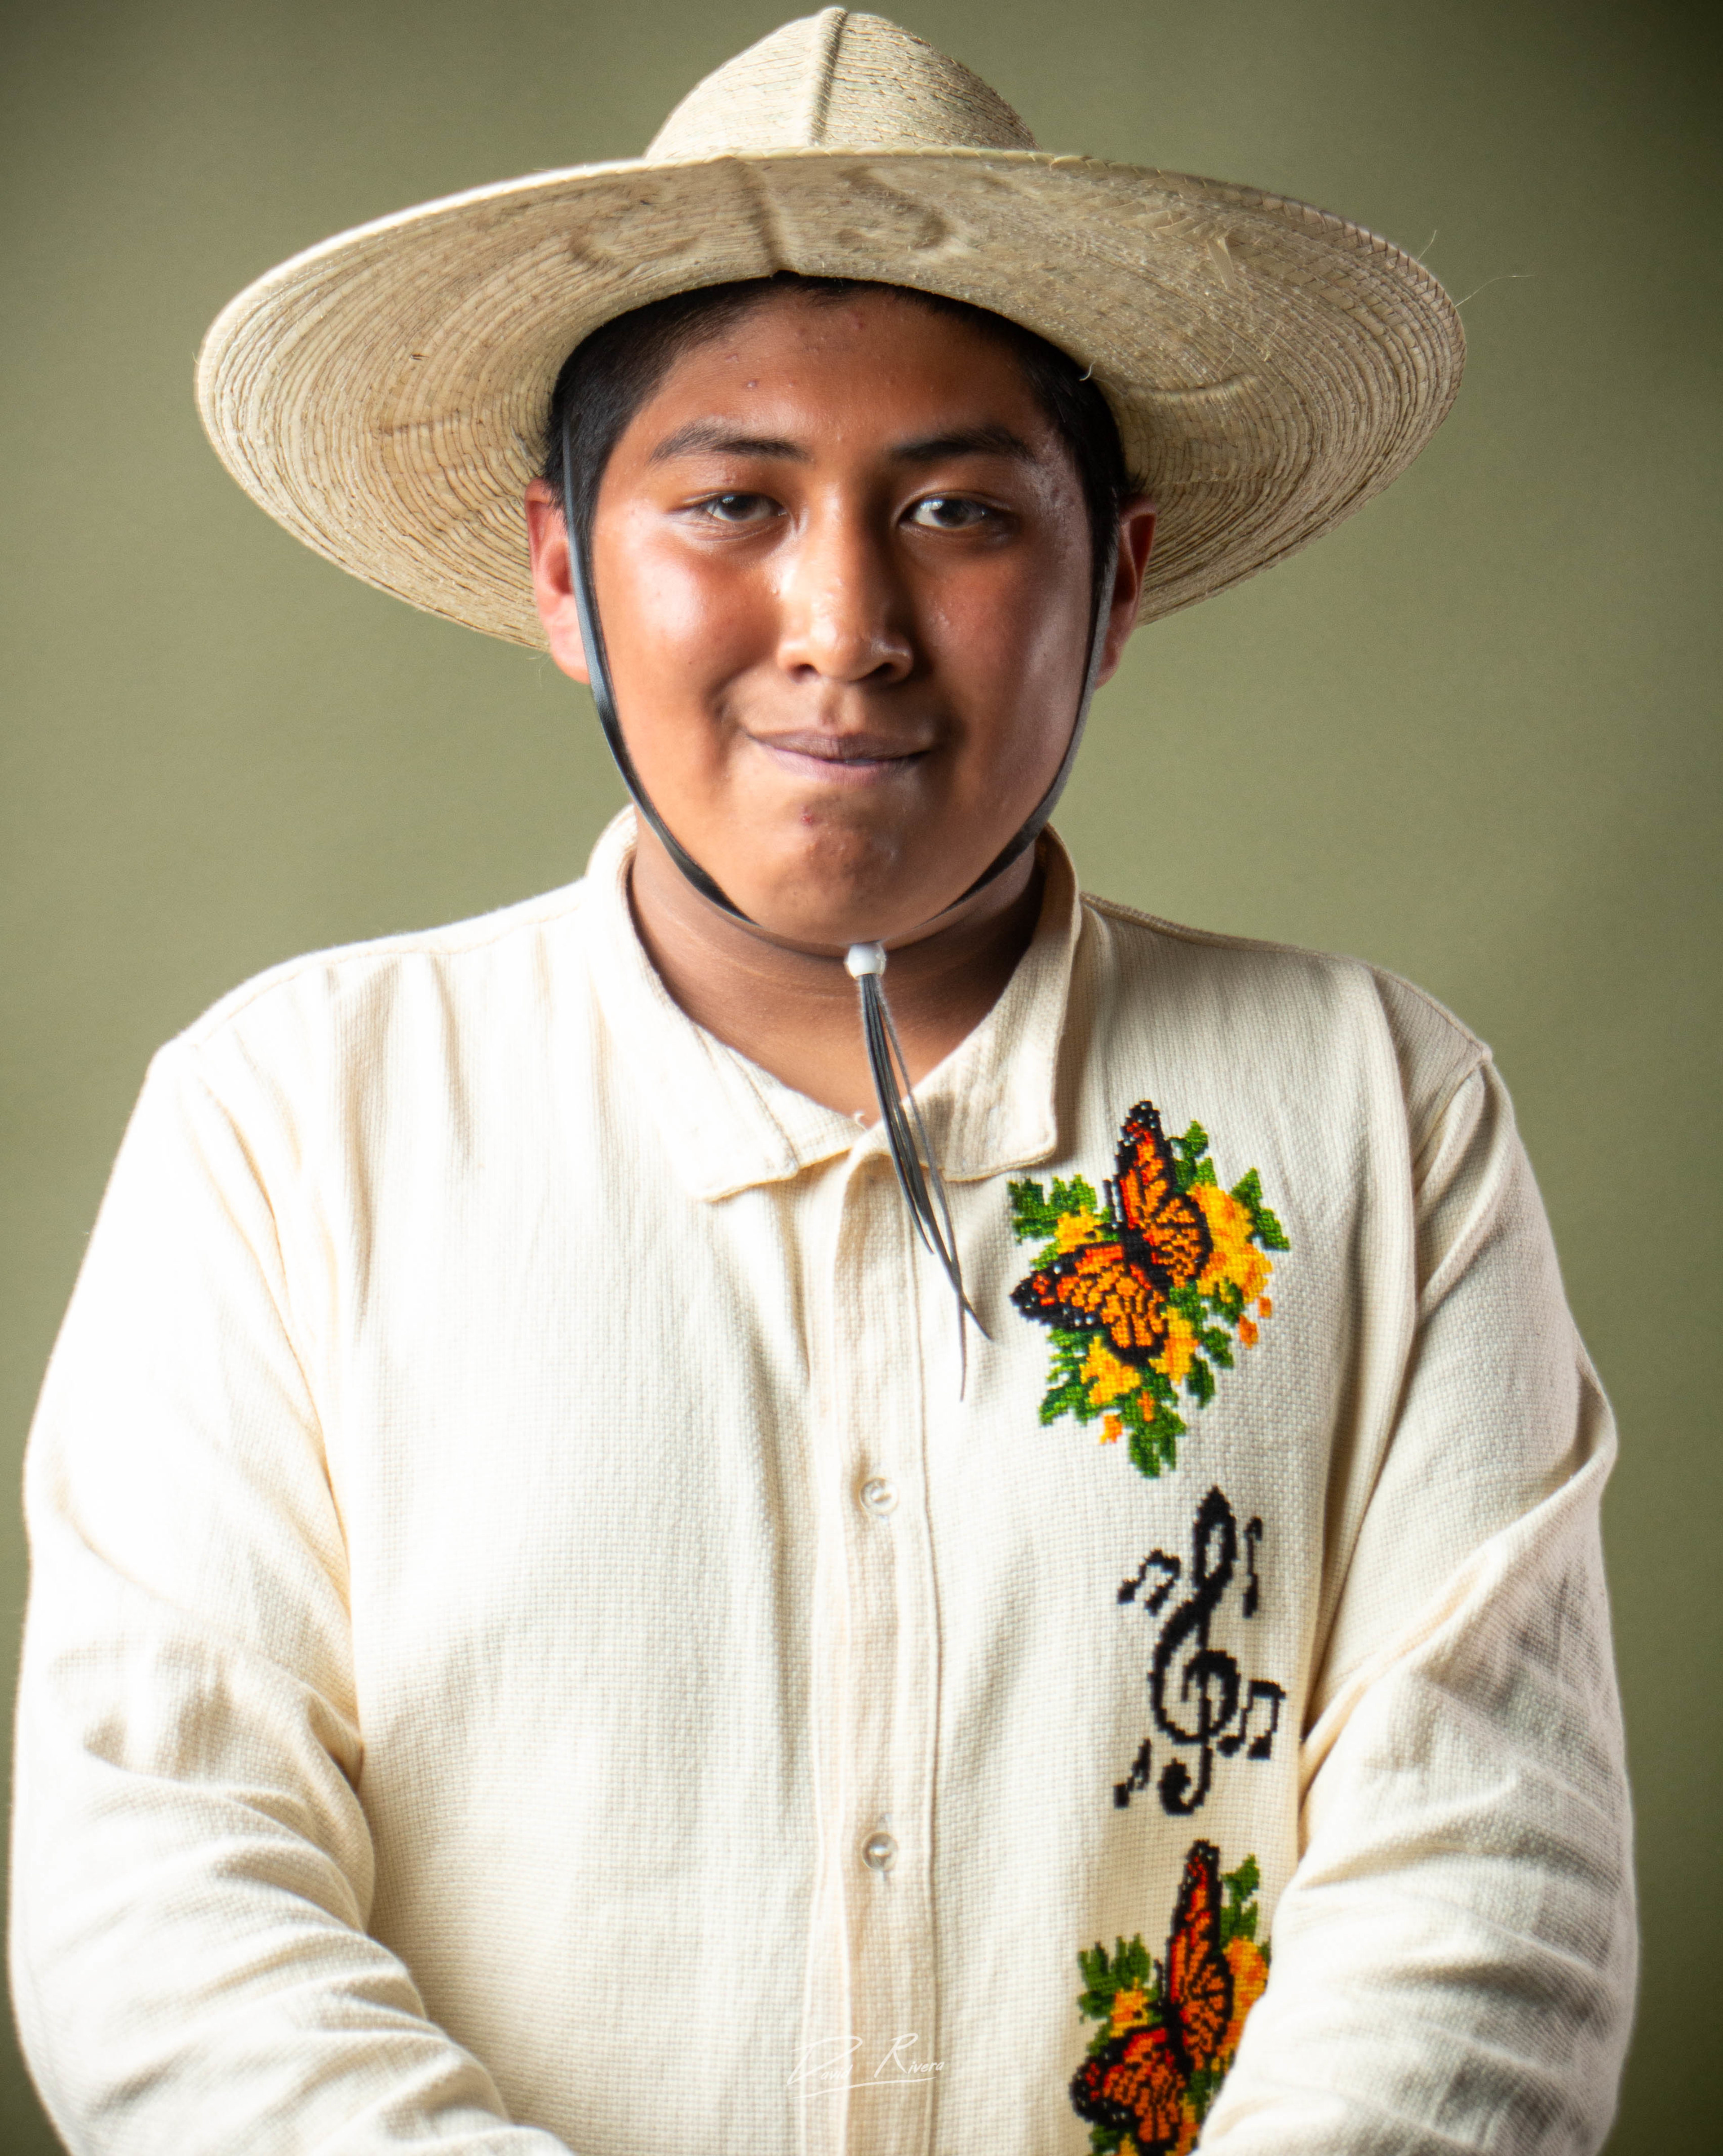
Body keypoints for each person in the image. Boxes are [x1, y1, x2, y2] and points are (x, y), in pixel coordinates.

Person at [8, 12, 1636, 2156]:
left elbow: (1486, 1897)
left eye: (960, 510)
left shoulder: (1376, 1112)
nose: (844, 619)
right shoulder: (292, 1119)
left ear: (1114, 580)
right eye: (731, 504)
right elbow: (166, 1904)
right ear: (562, 573)